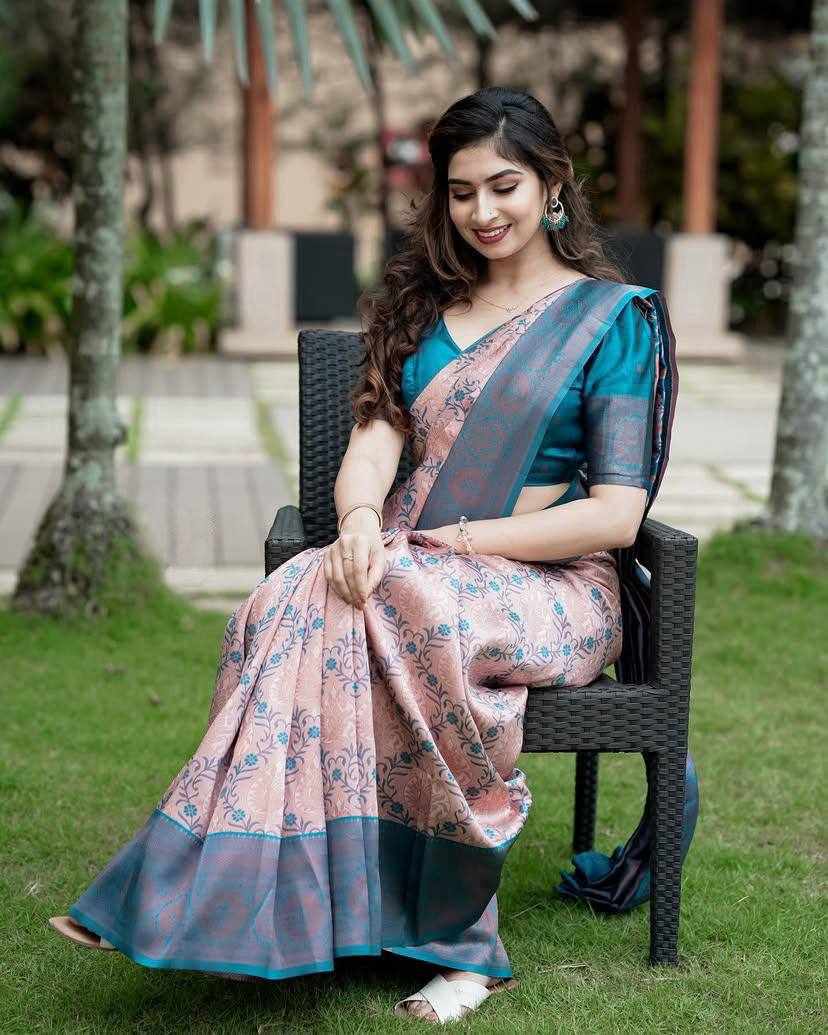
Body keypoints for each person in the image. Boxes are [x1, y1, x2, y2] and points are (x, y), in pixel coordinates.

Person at [49, 86, 688, 1025]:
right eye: (461, 192)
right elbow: (376, 444)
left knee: (396, 598)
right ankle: (274, 901)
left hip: (549, 584)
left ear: (553, 185)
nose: (483, 211)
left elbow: (618, 515)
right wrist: (354, 520)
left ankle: (456, 945)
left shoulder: (610, 320)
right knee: (294, 590)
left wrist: (451, 542)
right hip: (409, 566)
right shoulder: (427, 307)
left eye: (504, 186)